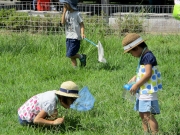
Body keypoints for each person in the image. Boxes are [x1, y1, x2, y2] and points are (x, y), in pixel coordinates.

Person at [122, 33, 162, 135]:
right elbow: (143, 72)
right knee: (142, 112)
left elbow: (148, 74)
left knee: (147, 115)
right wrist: (135, 78)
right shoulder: (144, 55)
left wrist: (136, 85)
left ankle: (154, 133)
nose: (132, 55)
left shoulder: (148, 56)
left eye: (131, 53)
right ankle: (145, 132)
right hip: (143, 90)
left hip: (148, 91)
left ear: (136, 48)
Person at [60, 0, 86, 68]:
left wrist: (82, 33)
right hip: (68, 37)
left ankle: (81, 56)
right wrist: (64, 12)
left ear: (71, 5)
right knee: (72, 55)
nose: (64, 5)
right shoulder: (66, 13)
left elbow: (82, 25)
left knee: (70, 54)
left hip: (75, 38)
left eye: (66, 4)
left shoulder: (77, 14)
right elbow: (62, 22)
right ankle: (75, 69)